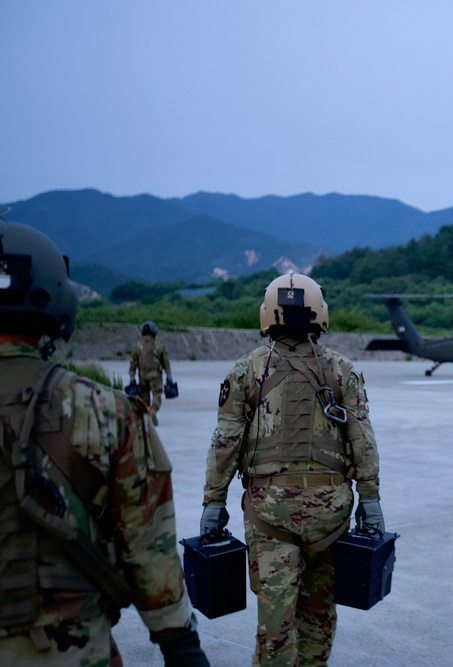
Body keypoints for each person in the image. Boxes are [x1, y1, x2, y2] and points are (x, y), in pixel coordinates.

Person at [0, 220, 208, 666]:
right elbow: (149, 547)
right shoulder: (104, 411)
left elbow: (158, 365)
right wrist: (180, 645)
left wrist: (157, 380)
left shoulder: (131, 381)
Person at [200, 272, 383, 666]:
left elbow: (225, 442)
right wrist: (371, 498)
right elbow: (363, 439)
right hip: (330, 517)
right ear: (319, 314)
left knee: (276, 628)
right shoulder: (342, 371)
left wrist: (213, 503)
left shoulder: (246, 370)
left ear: (269, 314)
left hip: (270, 515)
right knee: (318, 617)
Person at [129, 320, 172, 426]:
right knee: (157, 396)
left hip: (142, 377)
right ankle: (152, 412)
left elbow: (133, 363)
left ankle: (147, 415)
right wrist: (169, 375)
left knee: (144, 398)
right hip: (155, 377)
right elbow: (165, 362)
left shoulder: (138, 347)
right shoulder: (159, 346)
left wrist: (131, 376)